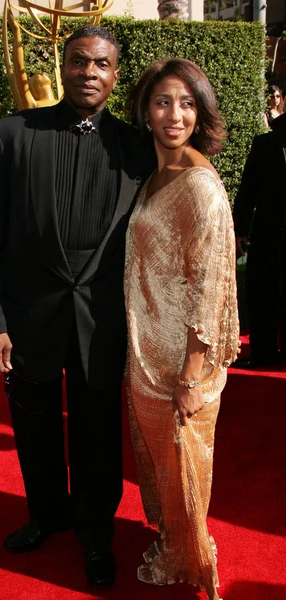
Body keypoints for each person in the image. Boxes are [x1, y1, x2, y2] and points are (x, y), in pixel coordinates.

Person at [0, 25, 153, 588]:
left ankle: (96, 534)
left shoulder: (138, 147)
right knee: (35, 429)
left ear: (115, 75)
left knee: (98, 435)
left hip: (103, 320)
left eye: (101, 64)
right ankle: (45, 515)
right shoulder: (11, 135)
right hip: (30, 315)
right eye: (79, 62)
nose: (89, 73)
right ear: (63, 65)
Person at [124, 59, 239, 599]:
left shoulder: (201, 186)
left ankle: (195, 565)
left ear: (202, 113)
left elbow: (211, 287)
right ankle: (173, 545)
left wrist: (193, 374)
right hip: (145, 349)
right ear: (146, 110)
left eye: (188, 103)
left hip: (181, 362)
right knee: (164, 470)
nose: (175, 114)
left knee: (187, 469)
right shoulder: (153, 174)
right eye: (164, 101)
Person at [233, 112, 286, 368]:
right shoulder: (265, 143)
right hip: (268, 233)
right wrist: (239, 228)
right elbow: (248, 188)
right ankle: (263, 353)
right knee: (263, 292)